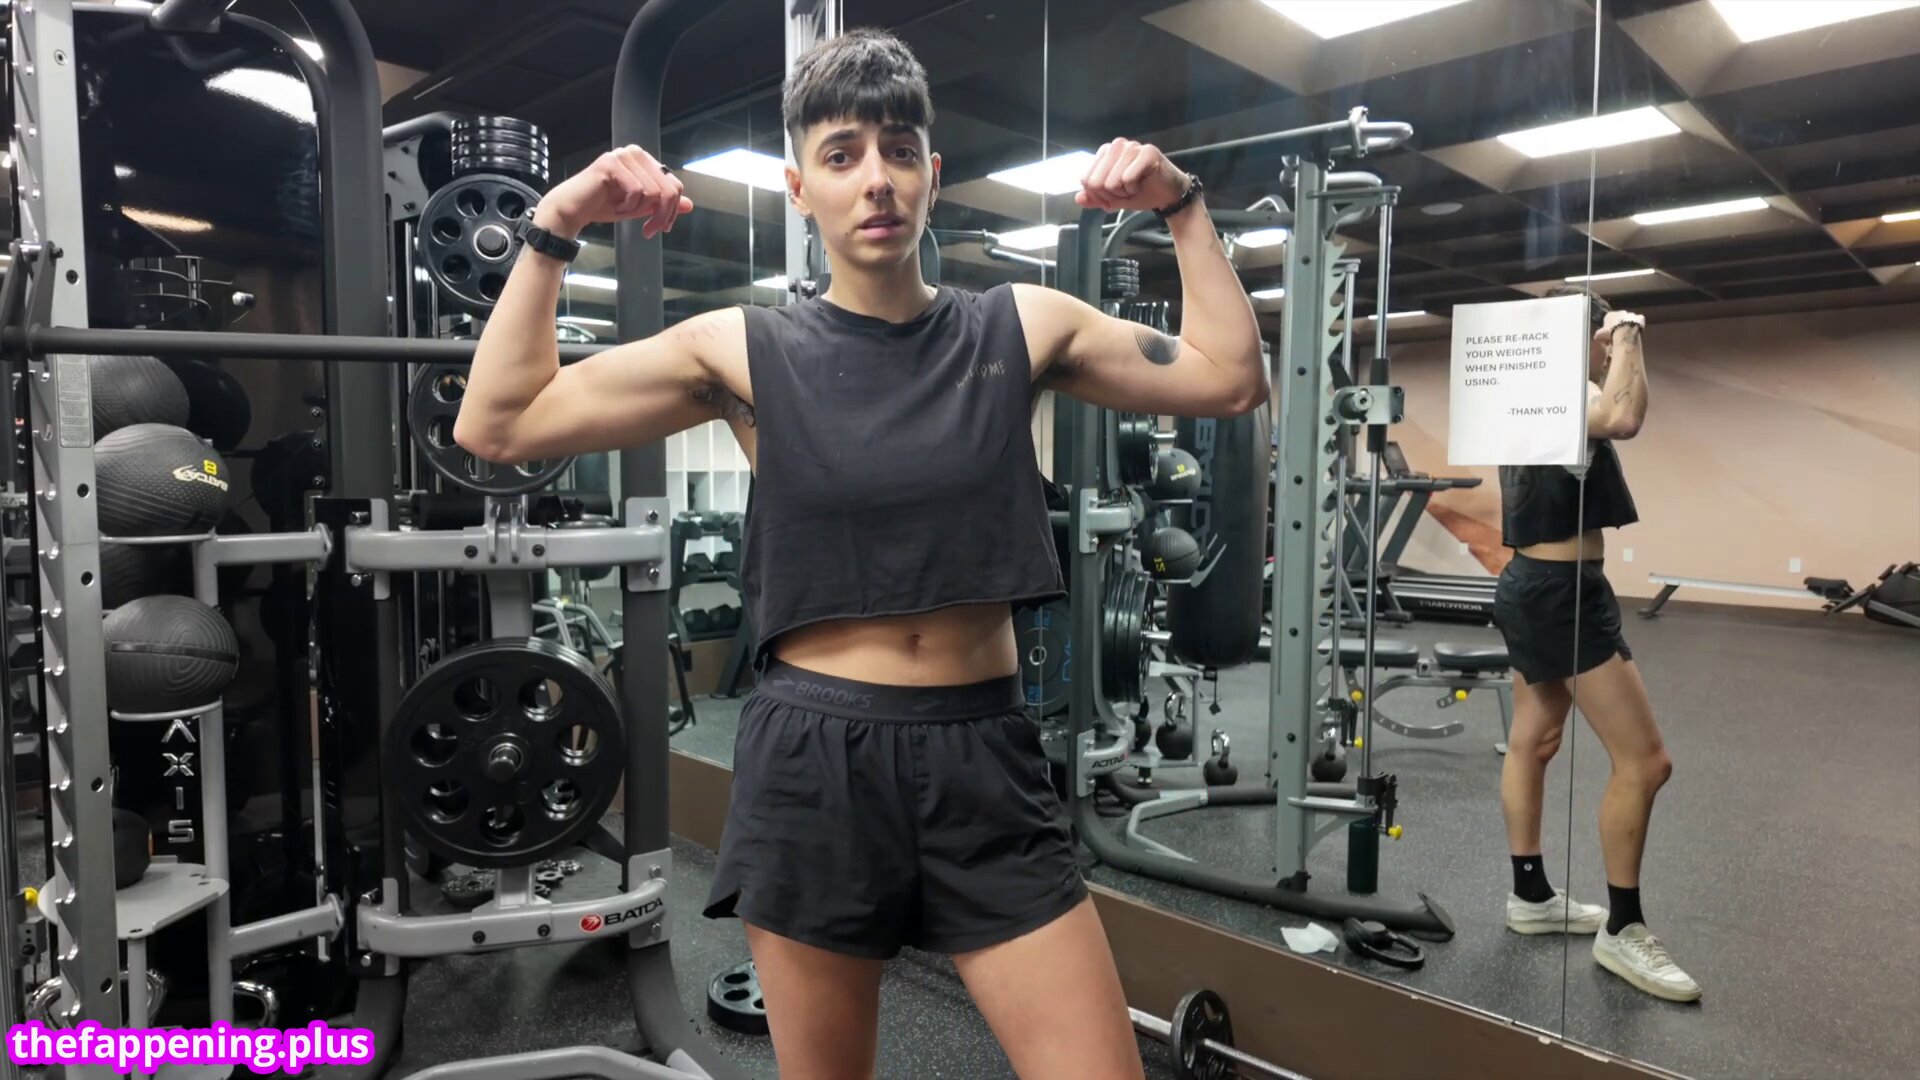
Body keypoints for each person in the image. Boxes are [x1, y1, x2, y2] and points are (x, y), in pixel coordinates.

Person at [455, 28, 1267, 1079]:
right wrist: (556, 225)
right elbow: (498, 423)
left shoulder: (1020, 327)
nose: (875, 178)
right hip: (815, 765)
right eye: (841, 155)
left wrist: (1182, 204)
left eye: (898, 151)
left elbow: (1227, 379)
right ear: (800, 188)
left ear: (933, 174)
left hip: (986, 757)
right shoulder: (744, 349)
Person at [1491, 287, 1700, 1003]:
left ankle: (1530, 896)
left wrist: (1619, 345)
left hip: (1544, 586)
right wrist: (1628, 333)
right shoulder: (1549, 392)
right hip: (1557, 597)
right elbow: (1625, 417)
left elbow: (1620, 405)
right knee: (1646, 762)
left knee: (1536, 738)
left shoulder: (1545, 390)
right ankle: (1623, 928)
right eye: (1595, 336)